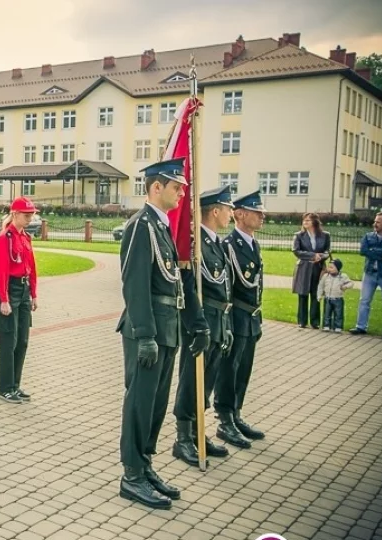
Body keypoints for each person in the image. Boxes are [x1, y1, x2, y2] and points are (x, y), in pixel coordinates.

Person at [116, 158, 194, 509]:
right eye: (176, 187)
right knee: (140, 403)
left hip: (166, 330)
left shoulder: (161, 227)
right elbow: (134, 284)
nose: (181, 193)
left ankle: (145, 464)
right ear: (156, 187)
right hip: (146, 331)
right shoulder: (141, 225)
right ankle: (131, 475)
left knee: (156, 405)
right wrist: (146, 333)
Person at [171, 186, 232, 467]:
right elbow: (188, 285)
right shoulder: (195, 245)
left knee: (207, 379)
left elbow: (224, 288)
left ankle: (198, 432)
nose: (231, 214)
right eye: (228, 209)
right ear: (215, 211)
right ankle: (182, 438)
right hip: (199, 320)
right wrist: (197, 325)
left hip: (217, 319)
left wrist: (226, 323)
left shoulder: (217, 243)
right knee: (190, 378)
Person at [217, 191, 267, 449]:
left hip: (250, 317)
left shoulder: (252, 244)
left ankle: (236, 413)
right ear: (240, 214)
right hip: (235, 316)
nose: (262, 217)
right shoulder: (229, 246)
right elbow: (227, 287)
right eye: (257, 212)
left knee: (244, 369)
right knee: (229, 369)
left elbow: (257, 283)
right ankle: (224, 419)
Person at [0, 197, 39, 403]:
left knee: (22, 340)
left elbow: (32, 267)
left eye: (31, 215)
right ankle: (4, 387)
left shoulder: (24, 237)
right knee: (8, 341)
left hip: (24, 289)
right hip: (10, 290)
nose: (30, 218)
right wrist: (3, 299)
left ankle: (15, 385)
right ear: (14, 215)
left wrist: (34, 294)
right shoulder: (5, 238)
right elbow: (0, 271)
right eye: (26, 215)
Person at [350, 212, 382, 339]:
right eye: (375, 221)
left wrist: (374, 251)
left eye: (378, 222)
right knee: (364, 301)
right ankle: (361, 327)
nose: (375, 224)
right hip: (370, 273)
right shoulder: (368, 236)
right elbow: (363, 251)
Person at [291, 213, 331, 329]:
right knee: (303, 295)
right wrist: (313, 255)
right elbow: (296, 251)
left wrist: (321, 257)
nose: (305, 222)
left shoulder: (325, 235)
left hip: (318, 268)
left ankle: (315, 322)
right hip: (304, 267)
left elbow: (328, 252)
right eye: (304, 220)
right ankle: (302, 321)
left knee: (316, 294)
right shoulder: (299, 235)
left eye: (308, 220)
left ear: (315, 222)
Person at [318, 259, 353, 332]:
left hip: (338, 299)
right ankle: (326, 325)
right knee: (327, 313)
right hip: (328, 298)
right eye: (328, 267)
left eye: (331, 267)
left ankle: (338, 327)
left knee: (338, 313)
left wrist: (345, 287)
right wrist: (319, 295)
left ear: (338, 268)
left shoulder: (343, 276)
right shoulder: (326, 276)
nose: (329, 269)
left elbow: (351, 283)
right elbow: (321, 286)